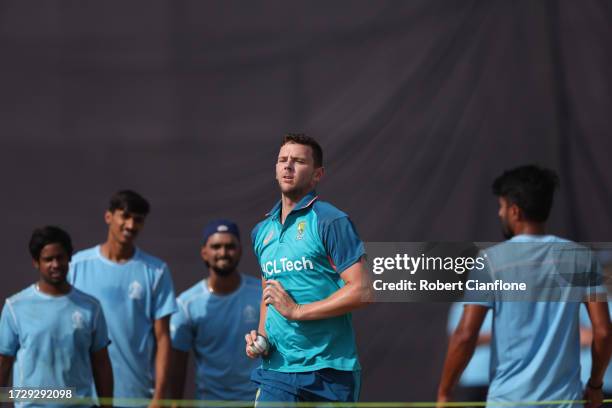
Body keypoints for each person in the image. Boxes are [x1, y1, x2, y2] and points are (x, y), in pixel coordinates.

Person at [437, 165, 612, 408]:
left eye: (501, 207)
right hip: (565, 402)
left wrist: (444, 393)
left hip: (508, 402)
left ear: (515, 211)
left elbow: (465, 335)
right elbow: (603, 332)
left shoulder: (490, 262)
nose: (500, 214)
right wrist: (595, 385)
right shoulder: (581, 259)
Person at [246, 133, 371, 405]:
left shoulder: (331, 220)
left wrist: (298, 311)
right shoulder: (261, 231)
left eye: (298, 161)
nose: (288, 166)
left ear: (317, 174)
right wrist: (262, 339)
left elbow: (361, 290)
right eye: (282, 160)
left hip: (330, 371)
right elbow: (270, 293)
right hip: (276, 371)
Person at [68, 190, 177, 406]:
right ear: (109, 217)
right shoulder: (76, 267)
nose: (130, 225)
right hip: (81, 396)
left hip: (135, 395)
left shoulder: (155, 271)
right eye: (125, 216)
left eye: (138, 220)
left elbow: (163, 338)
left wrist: (159, 398)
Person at [0, 226, 113, 408]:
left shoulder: (91, 308)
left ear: (69, 258)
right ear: (36, 262)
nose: (55, 264)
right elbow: (3, 363)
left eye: (60, 257)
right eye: (48, 259)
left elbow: (101, 364)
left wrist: (108, 406)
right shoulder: (15, 307)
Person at [170, 220, 261, 403]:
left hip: (257, 401)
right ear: (204, 252)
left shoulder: (261, 293)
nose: (223, 253)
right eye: (216, 246)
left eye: (230, 246)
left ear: (240, 250)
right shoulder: (186, 304)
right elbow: (178, 364)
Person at [446, 302, 491, 403]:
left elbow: (464, 337)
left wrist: (444, 392)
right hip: (473, 378)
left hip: (501, 380)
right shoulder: (462, 303)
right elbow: (461, 337)